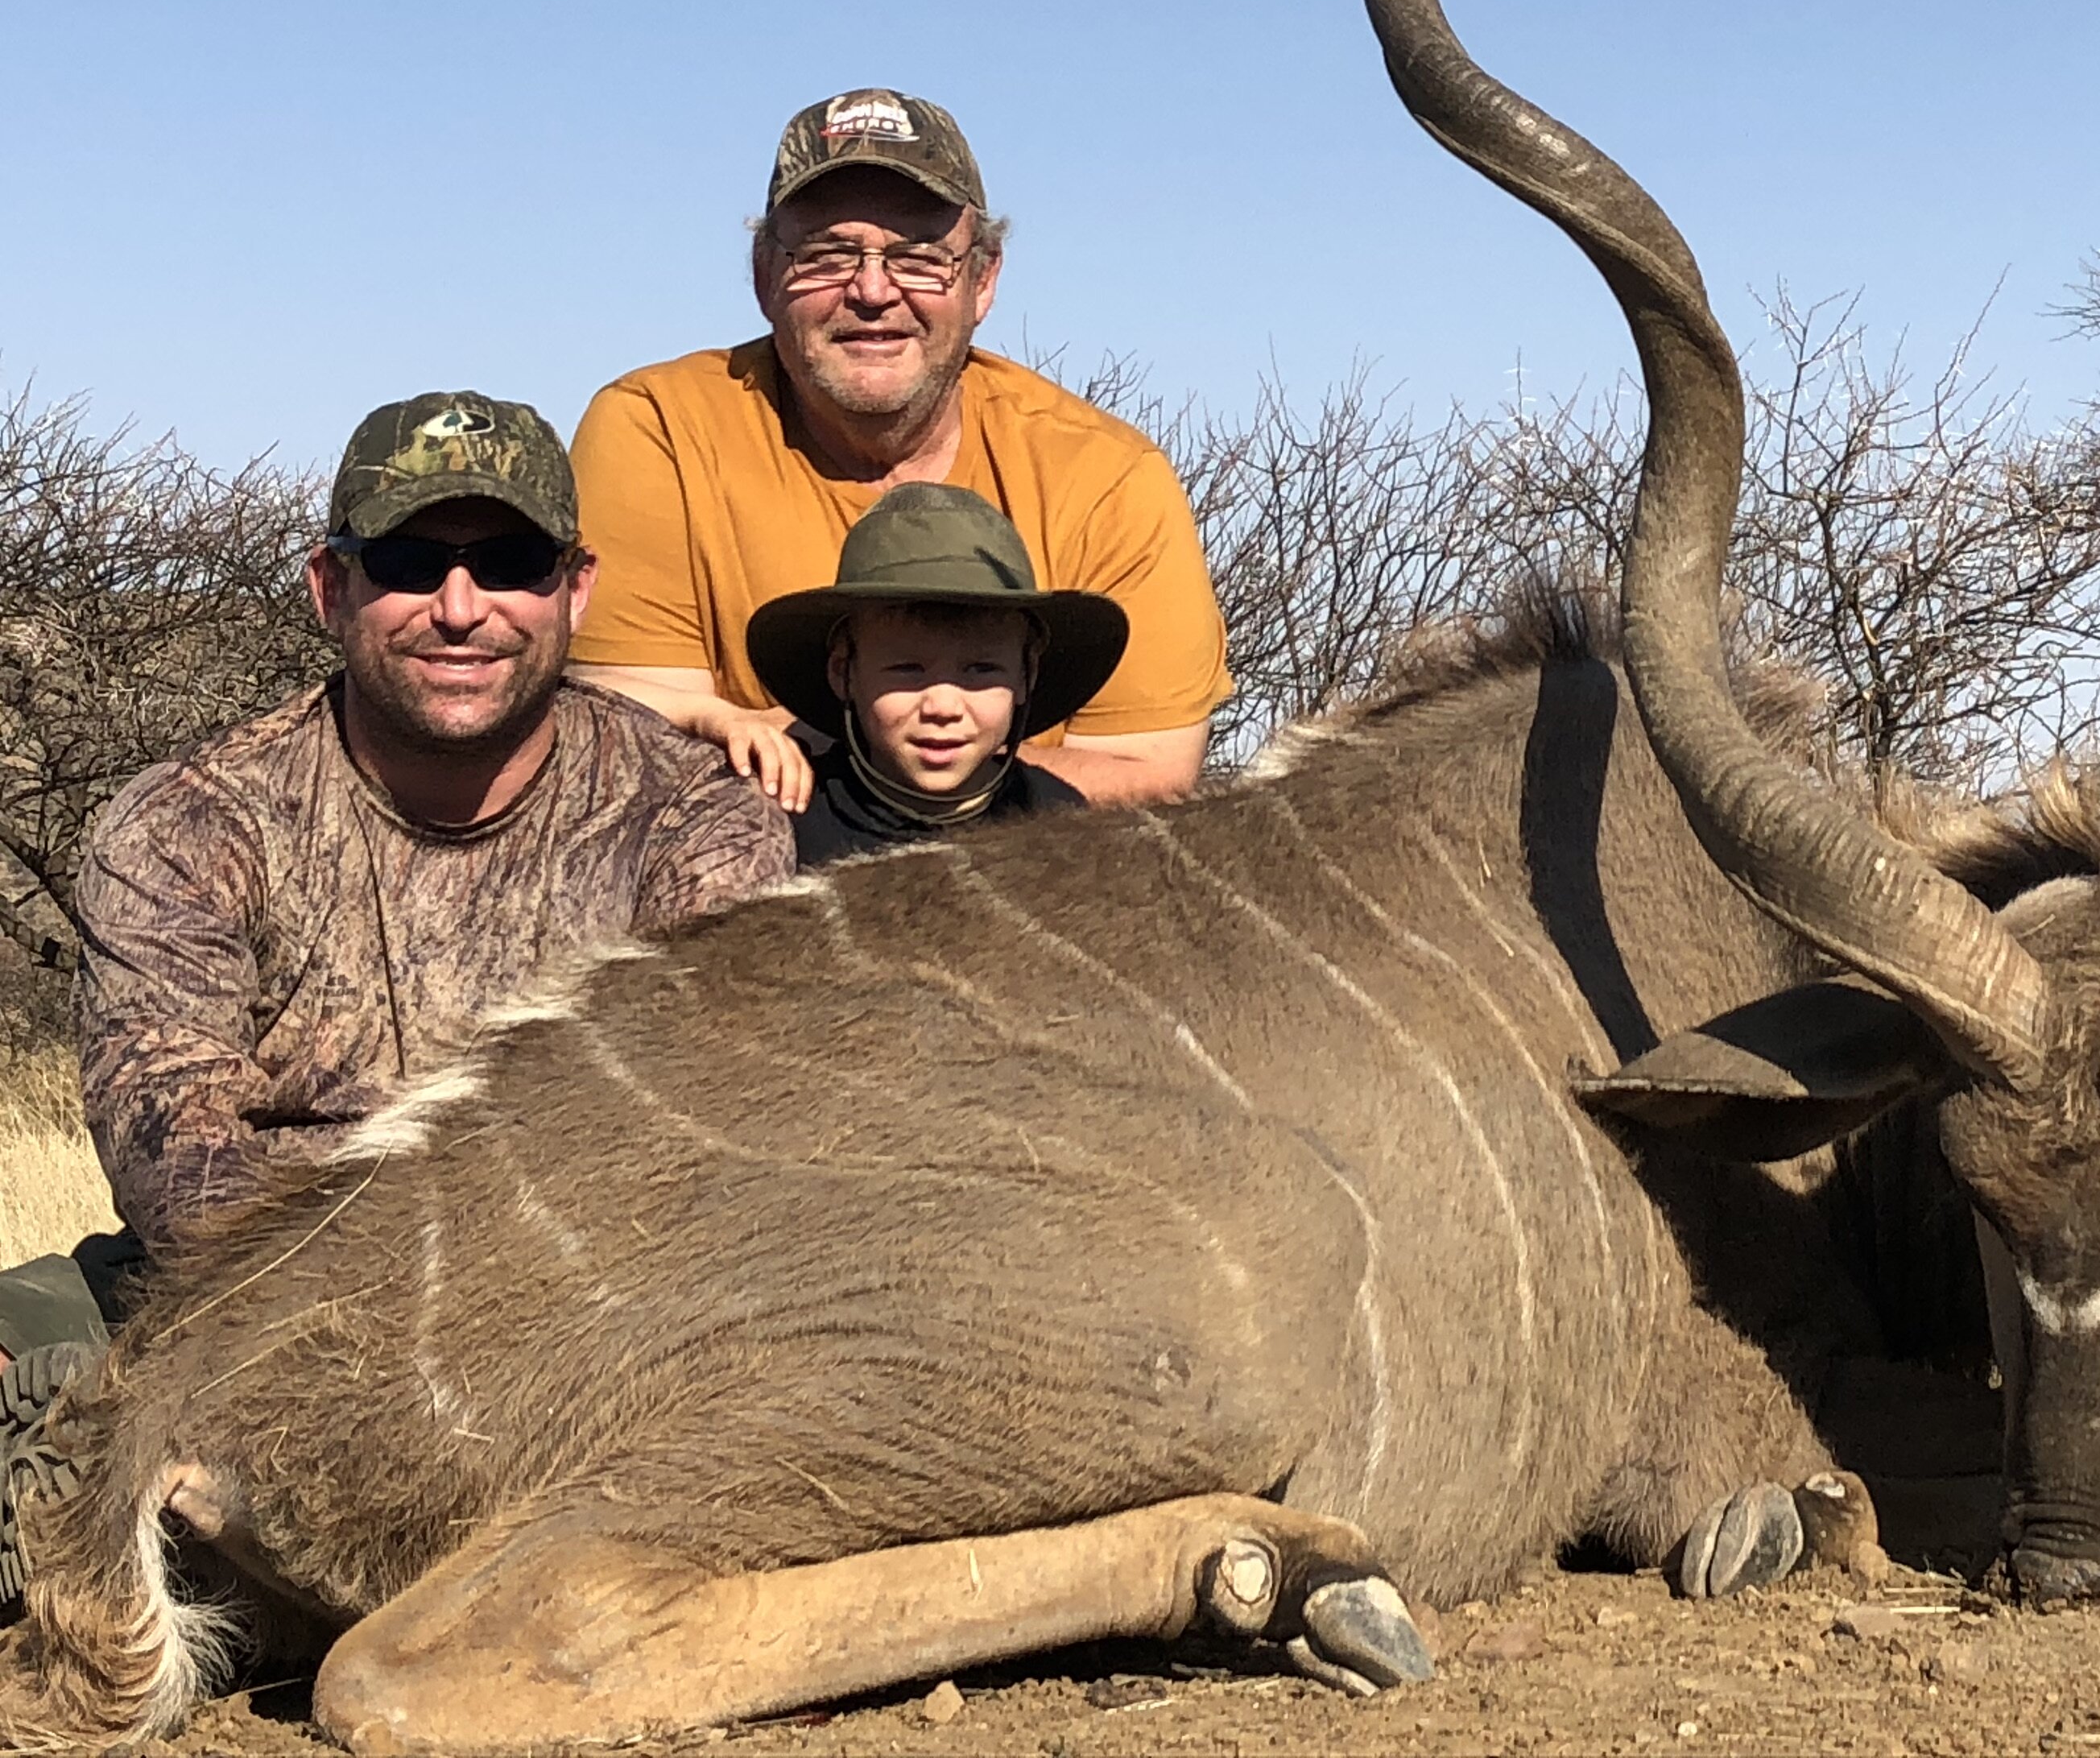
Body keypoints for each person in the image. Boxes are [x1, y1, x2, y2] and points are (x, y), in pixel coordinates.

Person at [0, 394, 795, 1609]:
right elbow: (180, 1170)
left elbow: (693, 1160)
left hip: (581, 1327)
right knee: (34, 1341)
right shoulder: (185, 823)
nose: (463, 609)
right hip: (261, 1306)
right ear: (330, 590)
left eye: (513, 564)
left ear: (575, 591)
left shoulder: (697, 818)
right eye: (413, 564)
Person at [568, 89, 1230, 814]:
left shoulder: (1109, 477)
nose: (874, 290)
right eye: (826, 254)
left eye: (918, 257)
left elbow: (1149, 774)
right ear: (764, 276)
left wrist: (850, 768)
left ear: (983, 281)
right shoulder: (657, 429)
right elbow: (639, 744)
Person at [750, 483, 1130, 868]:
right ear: (843, 671)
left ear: (1026, 674)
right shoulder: (784, 816)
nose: (943, 707)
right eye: (907, 669)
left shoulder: (1066, 824)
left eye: (981, 670)